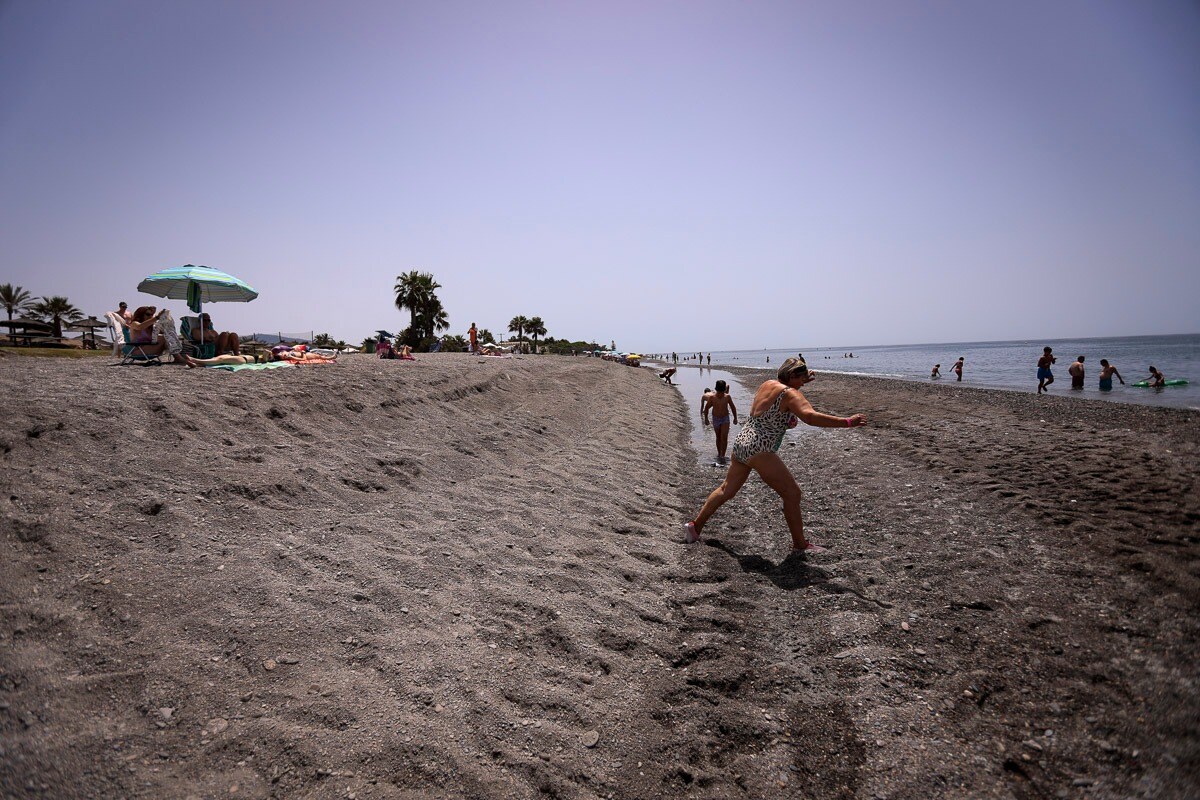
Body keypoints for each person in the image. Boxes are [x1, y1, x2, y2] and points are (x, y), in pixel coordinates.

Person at [684, 357, 866, 552]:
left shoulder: (768, 384)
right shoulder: (791, 394)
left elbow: (783, 397)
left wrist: (801, 381)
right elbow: (810, 417)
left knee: (726, 490)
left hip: (743, 442)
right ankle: (799, 544)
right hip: (761, 447)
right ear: (792, 376)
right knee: (793, 493)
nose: (804, 382)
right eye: (802, 378)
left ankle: (694, 527)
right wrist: (847, 422)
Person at [702, 380, 739, 466]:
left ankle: (723, 455)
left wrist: (735, 418)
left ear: (724, 391)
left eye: (722, 392)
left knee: (724, 437)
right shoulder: (712, 398)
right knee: (718, 437)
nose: (720, 394)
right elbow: (706, 408)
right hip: (716, 419)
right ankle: (719, 453)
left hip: (725, 418)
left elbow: (733, 407)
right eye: (719, 392)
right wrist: (706, 419)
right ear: (716, 390)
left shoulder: (727, 397)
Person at [183, 352, 264, 368]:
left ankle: (195, 360)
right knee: (215, 359)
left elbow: (267, 352)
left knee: (220, 359)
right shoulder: (263, 356)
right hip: (238, 357)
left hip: (243, 360)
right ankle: (196, 365)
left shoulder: (265, 359)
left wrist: (273, 353)